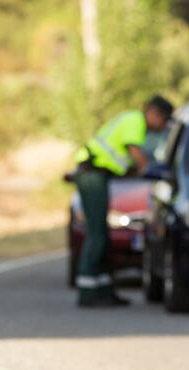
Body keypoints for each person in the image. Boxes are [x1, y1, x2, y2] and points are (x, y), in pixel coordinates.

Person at [73, 95, 174, 307]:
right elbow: (136, 153)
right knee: (97, 234)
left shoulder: (133, 120)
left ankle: (103, 289)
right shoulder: (135, 121)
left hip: (98, 176)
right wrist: (153, 171)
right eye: (164, 121)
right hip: (92, 175)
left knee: (102, 234)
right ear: (153, 113)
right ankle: (87, 291)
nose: (163, 126)